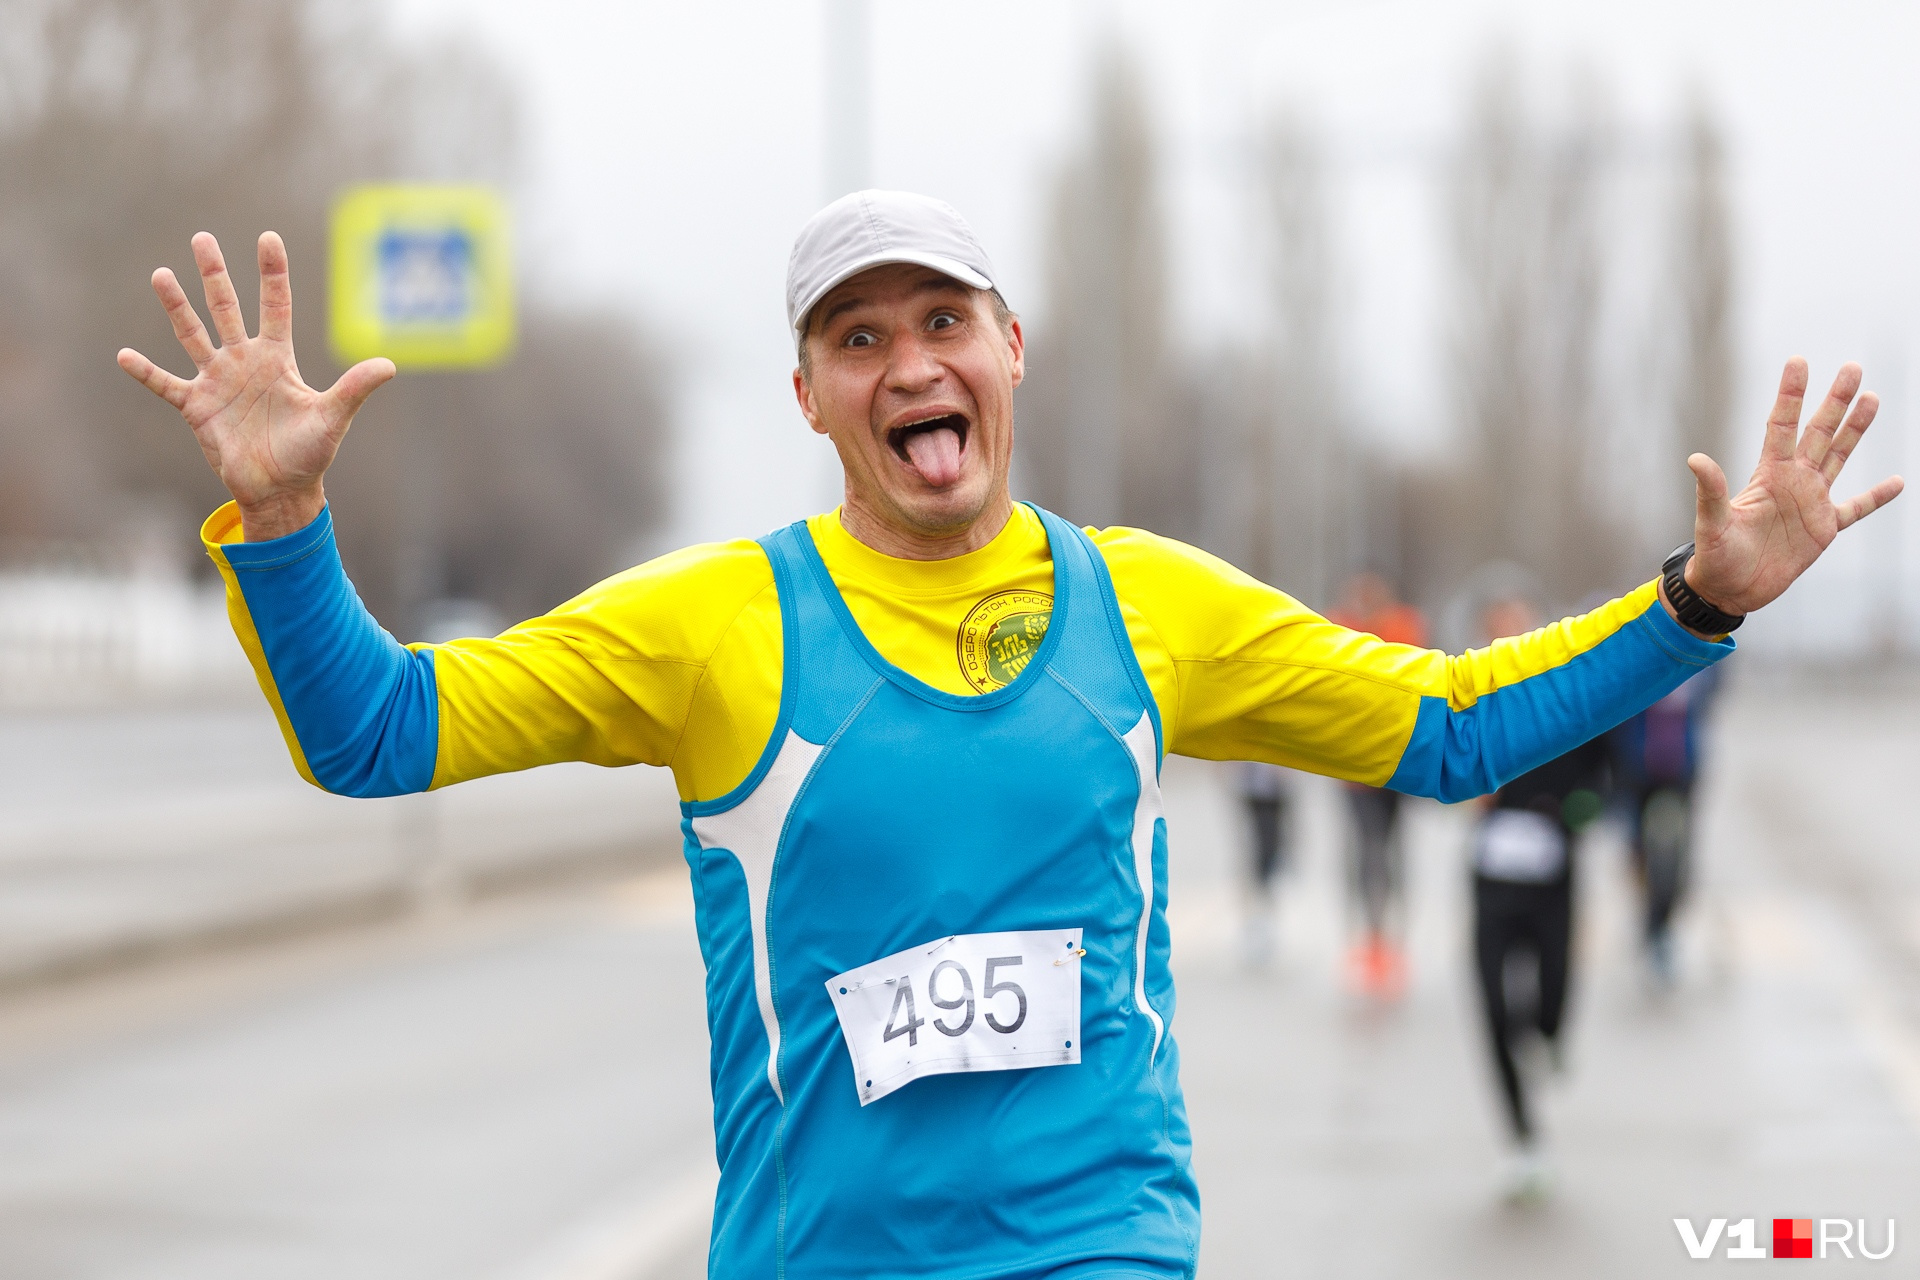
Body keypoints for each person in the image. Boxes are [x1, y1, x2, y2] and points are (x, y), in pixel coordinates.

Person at [116, 188, 1898, 1278]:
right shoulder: (710, 626)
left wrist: (1699, 603)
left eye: (941, 322)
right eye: (859, 337)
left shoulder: (1147, 607)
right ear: (808, 395)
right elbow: (374, 734)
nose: (911, 366)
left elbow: (1443, 732)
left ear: (1011, 349)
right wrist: (283, 531)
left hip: (1102, 1243)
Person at [1467, 596, 1611, 1202]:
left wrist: (1576, 813)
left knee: (1551, 993)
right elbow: (1436, 756)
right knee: (1494, 1010)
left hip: (1553, 874)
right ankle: (1523, 1139)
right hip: (1492, 876)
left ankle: (1548, 1038)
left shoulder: (1562, 697)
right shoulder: (1471, 699)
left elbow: (1602, 772)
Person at [1326, 572, 1428, 997]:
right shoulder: (1338, 629)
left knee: (1393, 852)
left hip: (1399, 764)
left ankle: (1391, 937)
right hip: (1355, 772)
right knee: (1364, 852)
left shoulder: (1402, 627)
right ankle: (1369, 935)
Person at [1608, 664, 1724, 985]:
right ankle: (1647, 917)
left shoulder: (1703, 660)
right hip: (1635, 767)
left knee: (1676, 853)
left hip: (1679, 767)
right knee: (1637, 850)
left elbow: (1713, 691)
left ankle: (1662, 925)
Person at [1235, 760, 1293, 967]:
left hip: (1276, 786)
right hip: (1251, 784)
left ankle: (1263, 910)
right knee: (1258, 851)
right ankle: (1257, 915)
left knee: (1272, 849)